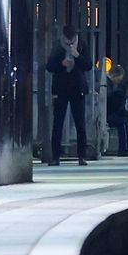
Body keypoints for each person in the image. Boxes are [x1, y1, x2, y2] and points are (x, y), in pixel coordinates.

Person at [44, 25, 93, 165]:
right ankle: (55, 156)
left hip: (77, 88)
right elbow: (49, 66)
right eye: (67, 40)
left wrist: (77, 56)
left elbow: (88, 65)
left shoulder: (82, 45)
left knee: (80, 124)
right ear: (63, 37)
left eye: (71, 40)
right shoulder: (57, 46)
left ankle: (81, 156)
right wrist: (61, 64)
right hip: (61, 89)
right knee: (58, 123)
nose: (70, 43)